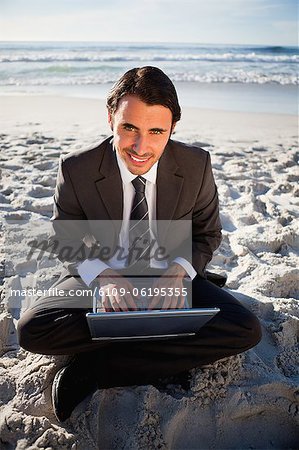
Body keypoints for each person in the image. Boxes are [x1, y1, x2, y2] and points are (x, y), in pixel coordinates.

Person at [17, 66, 262, 422]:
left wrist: (182, 269)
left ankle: (95, 370)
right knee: (33, 329)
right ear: (110, 119)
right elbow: (64, 234)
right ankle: (167, 347)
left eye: (156, 131)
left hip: (169, 275)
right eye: (129, 127)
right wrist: (102, 276)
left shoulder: (196, 164)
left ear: (172, 129)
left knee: (244, 329)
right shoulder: (76, 168)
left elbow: (207, 234)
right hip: (105, 272)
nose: (140, 147)